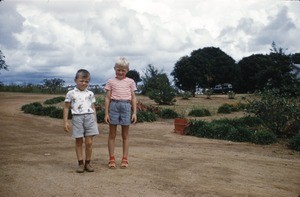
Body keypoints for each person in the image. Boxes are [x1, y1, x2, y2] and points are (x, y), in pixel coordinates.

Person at [63, 69, 99, 173]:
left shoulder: (90, 94)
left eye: (87, 81)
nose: (84, 83)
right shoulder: (71, 93)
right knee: (79, 141)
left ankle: (88, 163)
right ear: (75, 80)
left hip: (89, 118)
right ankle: (80, 163)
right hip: (77, 118)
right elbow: (66, 108)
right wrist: (65, 121)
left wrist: (95, 120)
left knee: (89, 142)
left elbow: (93, 107)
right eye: (81, 81)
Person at [104, 57, 137, 169]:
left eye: (123, 70)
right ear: (115, 69)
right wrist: (106, 113)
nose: (121, 72)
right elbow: (108, 98)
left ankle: (125, 158)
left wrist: (134, 112)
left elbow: (133, 98)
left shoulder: (130, 82)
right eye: (118, 69)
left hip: (126, 107)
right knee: (112, 134)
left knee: (125, 135)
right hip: (114, 106)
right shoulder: (110, 81)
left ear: (127, 70)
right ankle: (111, 158)